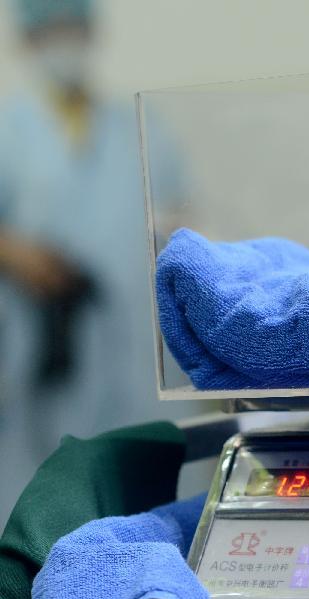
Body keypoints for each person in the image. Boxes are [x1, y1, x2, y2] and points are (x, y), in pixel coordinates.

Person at [0, 0, 192, 523]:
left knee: (140, 488)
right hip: (39, 338)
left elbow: (177, 214)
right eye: (51, 31)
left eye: (73, 27)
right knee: (33, 485)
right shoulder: (9, 130)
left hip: (134, 337)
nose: (64, 42)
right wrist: (15, 251)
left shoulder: (139, 122)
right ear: (28, 42)